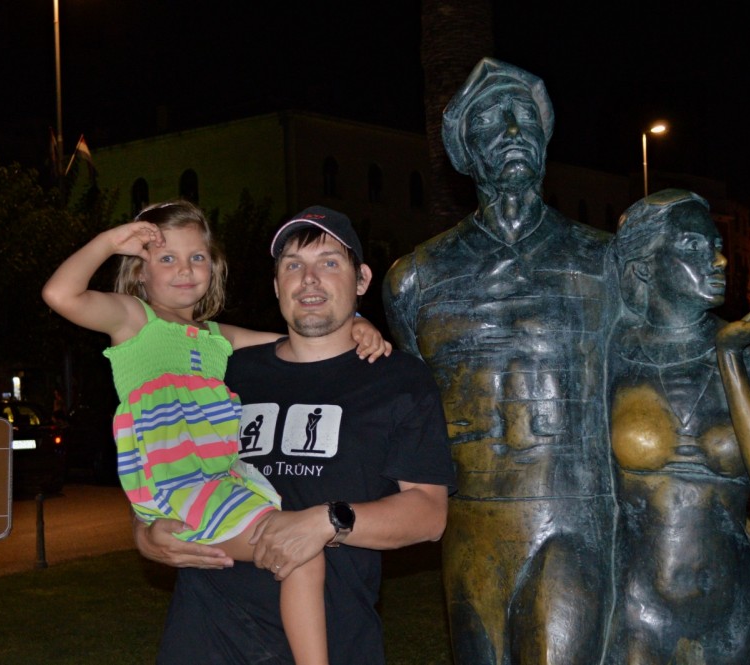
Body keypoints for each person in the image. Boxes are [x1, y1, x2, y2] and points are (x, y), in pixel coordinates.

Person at [41, 200, 391, 665]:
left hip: (216, 483)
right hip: (177, 486)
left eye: (197, 257)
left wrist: (359, 323)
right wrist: (108, 242)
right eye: (167, 258)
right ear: (140, 272)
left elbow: (302, 339)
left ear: (214, 267)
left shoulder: (215, 338)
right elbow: (59, 294)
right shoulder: (132, 320)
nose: (184, 269)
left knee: (297, 551)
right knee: (299, 553)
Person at [134, 205, 455, 665]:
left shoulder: (399, 380)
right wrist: (143, 533)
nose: (309, 279)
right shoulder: (222, 369)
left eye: (329, 262)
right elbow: (155, 452)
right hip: (206, 636)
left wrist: (327, 521)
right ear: (276, 285)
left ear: (361, 279)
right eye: (293, 265)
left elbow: (429, 513)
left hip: (332, 642)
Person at [383, 58, 615, 664]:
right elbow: (409, 405)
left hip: (572, 516)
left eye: (524, 119)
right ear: (464, 152)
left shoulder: (605, 264)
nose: (513, 132)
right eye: (491, 121)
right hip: (470, 523)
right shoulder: (416, 279)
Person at [604, 189, 750, 664]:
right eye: (692, 246)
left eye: (715, 245)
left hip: (734, 605)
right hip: (637, 608)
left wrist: (728, 357)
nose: (718, 260)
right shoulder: (611, 354)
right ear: (645, 267)